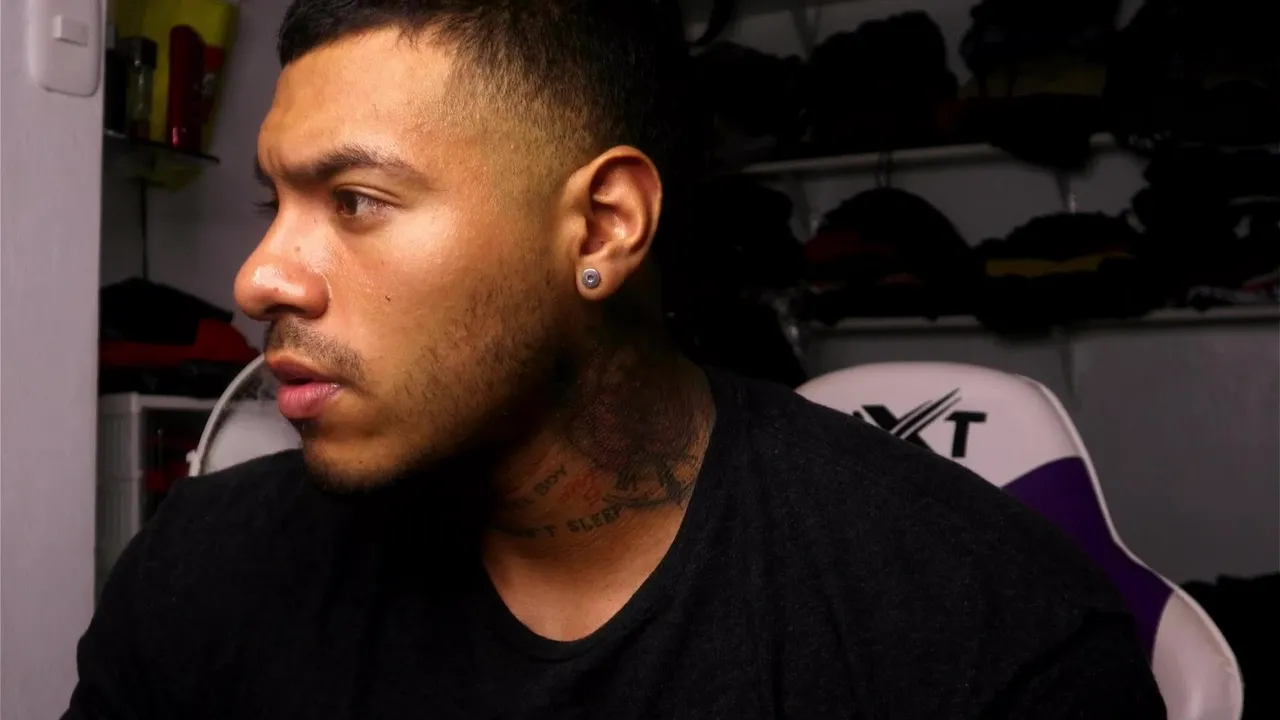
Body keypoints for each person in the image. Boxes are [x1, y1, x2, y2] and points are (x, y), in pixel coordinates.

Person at [65, 1, 1165, 718]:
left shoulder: (981, 630)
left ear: (601, 227)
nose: (260, 278)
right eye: (274, 204)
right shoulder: (202, 571)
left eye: (354, 201)